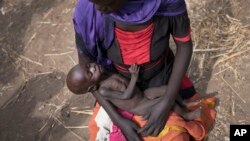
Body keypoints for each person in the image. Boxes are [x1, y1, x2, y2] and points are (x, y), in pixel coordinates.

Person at [69, 0, 216, 140]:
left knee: (177, 135)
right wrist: (119, 120)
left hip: (162, 78)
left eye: (106, 2)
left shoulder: (165, 3)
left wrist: (167, 102)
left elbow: (184, 46)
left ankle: (180, 107)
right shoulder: (88, 11)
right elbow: (88, 77)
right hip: (128, 101)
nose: (99, 9)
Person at [67, 63, 201, 120]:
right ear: (91, 88)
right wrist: (134, 77)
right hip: (140, 106)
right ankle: (186, 115)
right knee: (166, 102)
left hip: (143, 94)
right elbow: (126, 95)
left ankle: (183, 103)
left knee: (166, 90)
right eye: (90, 73)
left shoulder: (105, 73)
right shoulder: (103, 90)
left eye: (89, 65)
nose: (93, 67)